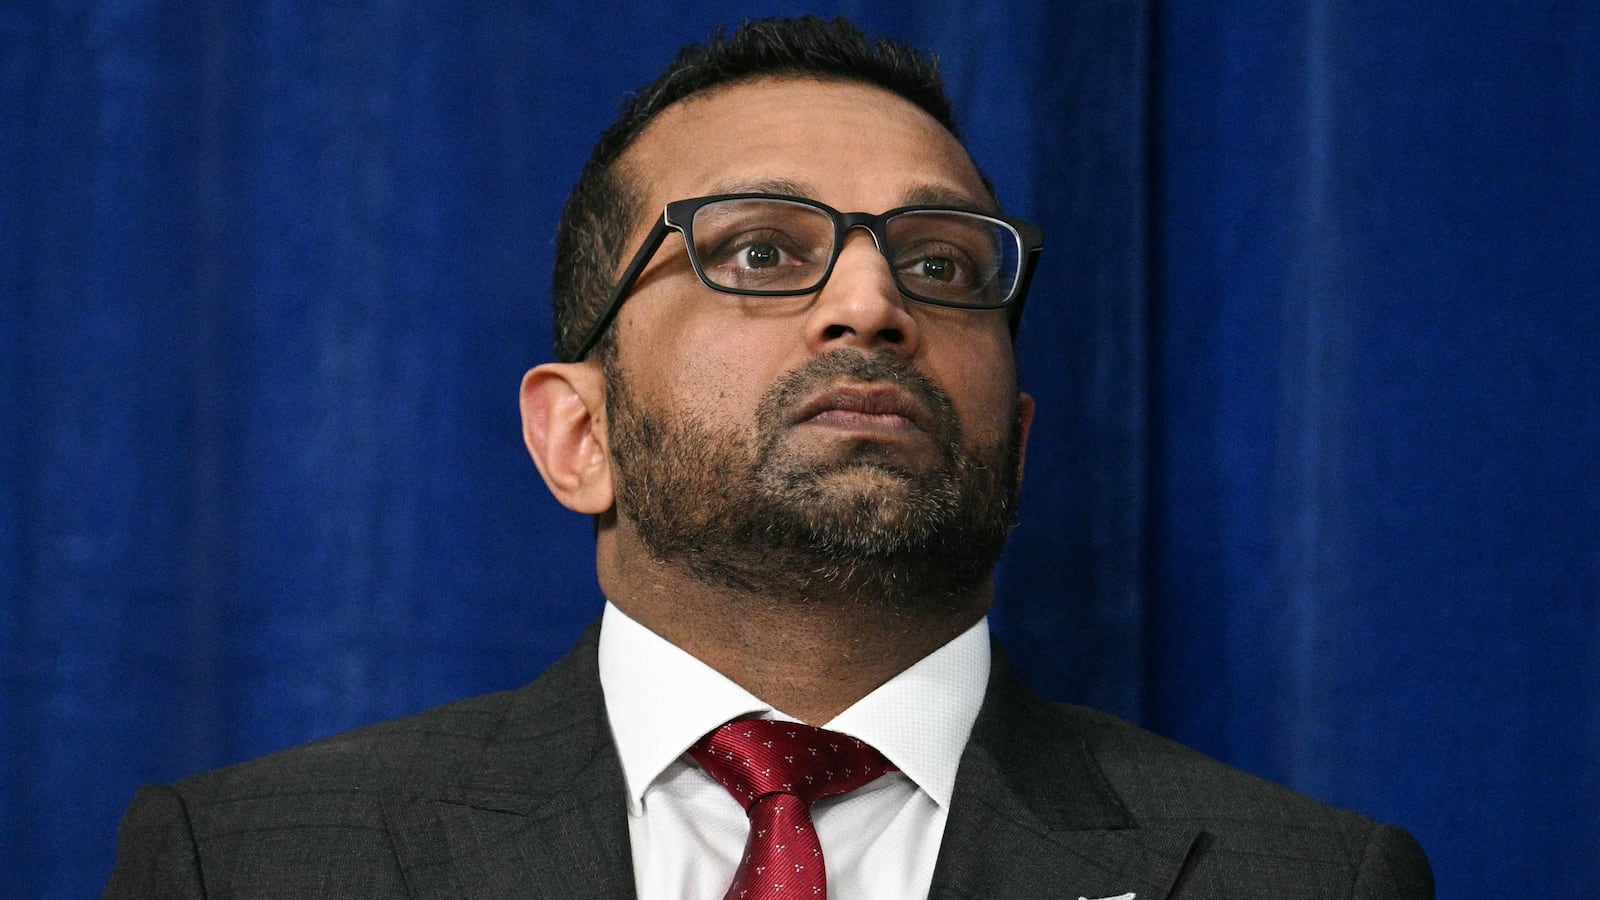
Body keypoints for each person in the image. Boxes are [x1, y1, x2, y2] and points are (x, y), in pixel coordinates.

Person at [106, 16, 1432, 899]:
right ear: (579, 433)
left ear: (1018, 448)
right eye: (758, 252)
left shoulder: (1310, 879)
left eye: (941, 262)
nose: (871, 304)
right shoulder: (249, 865)